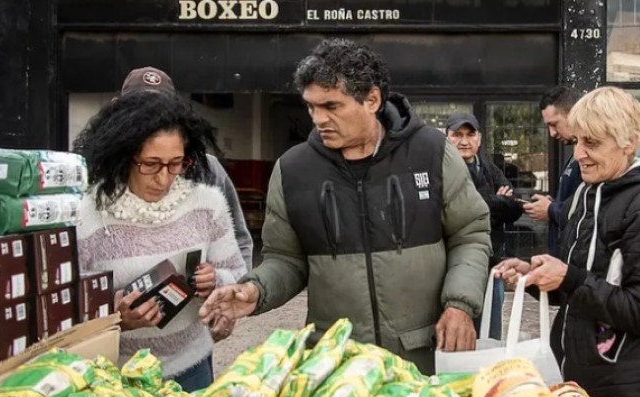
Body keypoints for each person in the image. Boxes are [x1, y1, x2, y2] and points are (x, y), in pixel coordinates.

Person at [199, 38, 491, 374]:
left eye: (331, 106)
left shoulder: (432, 152)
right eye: (311, 107)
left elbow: (470, 234)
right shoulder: (293, 170)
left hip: (422, 358)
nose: (318, 118)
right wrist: (255, 289)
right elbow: (287, 260)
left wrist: (460, 305)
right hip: (337, 366)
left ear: (371, 99)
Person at [496, 87, 640, 397]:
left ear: (628, 142)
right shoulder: (587, 193)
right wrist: (535, 277)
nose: (579, 154)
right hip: (581, 383)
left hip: (627, 395)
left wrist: (568, 277)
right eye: (578, 141)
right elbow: (579, 289)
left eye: (593, 143)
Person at [75, 91, 248, 392]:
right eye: (151, 164)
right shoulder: (88, 215)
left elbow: (236, 272)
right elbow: (69, 307)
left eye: (176, 163)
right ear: (123, 156)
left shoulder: (208, 204)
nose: (164, 178)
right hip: (117, 376)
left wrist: (215, 281)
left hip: (192, 368)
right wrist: (116, 318)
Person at [120, 66, 255, 271]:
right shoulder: (102, 171)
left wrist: (234, 288)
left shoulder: (207, 168)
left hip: (196, 299)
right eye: (138, 108)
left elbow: (237, 238)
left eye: (159, 108)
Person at [445, 112, 522, 266]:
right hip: (456, 258)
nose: (464, 142)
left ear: (479, 139)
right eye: (457, 135)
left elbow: (516, 205)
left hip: (493, 257)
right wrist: (500, 201)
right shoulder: (441, 170)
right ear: (446, 139)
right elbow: (461, 210)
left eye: (470, 135)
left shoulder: (489, 168)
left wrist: (487, 203)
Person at [523, 86, 582, 256]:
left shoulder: (590, 161)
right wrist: (554, 204)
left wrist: (551, 209)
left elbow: (589, 212)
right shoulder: (574, 157)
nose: (552, 133)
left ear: (573, 114)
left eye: (554, 124)